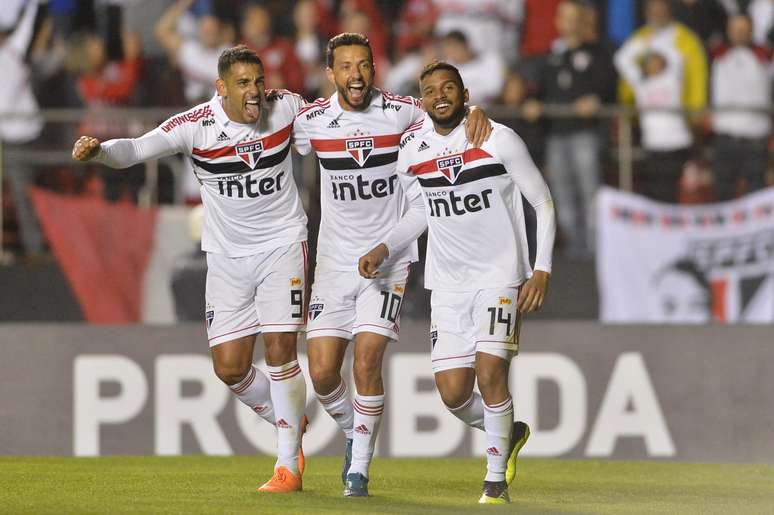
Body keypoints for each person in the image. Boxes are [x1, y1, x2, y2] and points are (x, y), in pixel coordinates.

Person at [71, 45, 308, 494]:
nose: (255, 91)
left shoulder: (286, 106)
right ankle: (289, 416)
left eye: (258, 81)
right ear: (221, 88)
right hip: (225, 256)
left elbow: (337, 125)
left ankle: (287, 461)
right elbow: (137, 148)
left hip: (282, 245)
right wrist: (100, 152)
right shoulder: (195, 126)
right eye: (243, 83)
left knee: (280, 350)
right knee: (230, 368)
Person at [292, 33, 491, 497]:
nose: (355, 74)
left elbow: (451, 115)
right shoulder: (314, 121)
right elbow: (272, 131)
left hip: (389, 260)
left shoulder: (403, 112)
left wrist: (476, 110)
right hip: (333, 262)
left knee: (366, 361)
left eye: (363, 64)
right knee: (322, 374)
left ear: (374, 68)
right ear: (331, 74)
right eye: (345, 66)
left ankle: (359, 469)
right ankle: (354, 432)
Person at [359, 61, 556, 504]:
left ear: (465, 93)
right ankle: (510, 432)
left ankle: (494, 484)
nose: (439, 96)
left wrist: (541, 268)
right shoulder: (413, 149)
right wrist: (384, 247)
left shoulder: (497, 138)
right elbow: (420, 212)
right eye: (430, 91)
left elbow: (542, 202)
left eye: (448, 87)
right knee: (452, 394)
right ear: (422, 100)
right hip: (446, 285)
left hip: (500, 278)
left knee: (490, 375)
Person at [711, 14, 772, 201]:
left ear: (752, 31)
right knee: (722, 192)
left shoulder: (766, 57)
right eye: (735, 29)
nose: (739, 34)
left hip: (756, 137)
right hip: (725, 135)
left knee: (757, 193)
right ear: (729, 32)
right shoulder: (718, 56)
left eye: (744, 30)